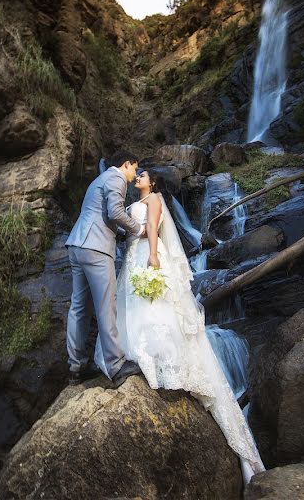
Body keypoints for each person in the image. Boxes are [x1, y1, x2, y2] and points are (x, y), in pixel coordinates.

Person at [95, 168, 266, 485]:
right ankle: (144, 359)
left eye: (142, 176)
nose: (138, 179)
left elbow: (153, 230)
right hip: (133, 256)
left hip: (147, 256)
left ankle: (163, 364)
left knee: (155, 307)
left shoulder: (155, 199)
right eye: (138, 176)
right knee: (137, 307)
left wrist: (151, 256)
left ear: (153, 182)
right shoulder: (141, 200)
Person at [65, 150, 145, 388]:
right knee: (105, 305)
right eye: (134, 168)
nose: (134, 174)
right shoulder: (116, 178)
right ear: (126, 164)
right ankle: (117, 365)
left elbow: (99, 215)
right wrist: (137, 229)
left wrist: (119, 234)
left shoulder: (97, 181)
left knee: (79, 308)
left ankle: (76, 367)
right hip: (96, 249)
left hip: (77, 245)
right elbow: (115, 212)